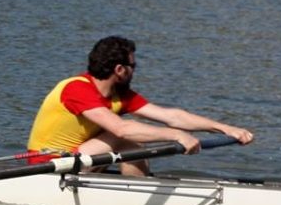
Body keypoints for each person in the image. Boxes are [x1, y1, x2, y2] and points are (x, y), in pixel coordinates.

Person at [26, 36, 252, 175]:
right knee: (124, 134)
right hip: (47, 165)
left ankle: (136, 190)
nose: (136, 69)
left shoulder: (118, 95)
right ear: (119, 69)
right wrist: (176, 136)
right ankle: (134, 193)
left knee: (131, 140)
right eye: (133, 65)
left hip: (82, 161)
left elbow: (172, 116)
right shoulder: (77, 89)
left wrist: (225, 128)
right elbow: (121, 129)